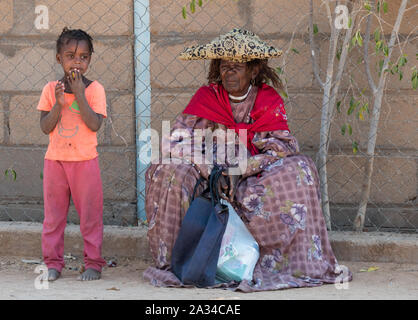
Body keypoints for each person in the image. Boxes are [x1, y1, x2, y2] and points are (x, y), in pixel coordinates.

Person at [143, 29, 352, 291]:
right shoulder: (208, 96)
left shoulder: (267, 99)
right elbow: (174, 139)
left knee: (301, 169)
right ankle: (177, 262)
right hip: (209, 172)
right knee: (164, 168)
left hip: (253, 172)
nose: (229, 73)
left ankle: (285, 263)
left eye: (237, 67)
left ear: (254, 71)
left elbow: (281, 144)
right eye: (224, 66)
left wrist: (241, 169)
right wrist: (209, 170)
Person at [37, 28, 107, 281]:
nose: (77, 62)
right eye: (70, 56)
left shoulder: (95, 89)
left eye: (83, 57)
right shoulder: (50, 89)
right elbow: (46, 127)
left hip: (85, 162)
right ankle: (53, 263)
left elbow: (94, 124)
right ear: (59, 59)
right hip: (55, 161)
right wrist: (58, 103)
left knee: (90, 216)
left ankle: (93, 264)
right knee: (54, 218)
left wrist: (79, 94)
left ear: (89, 60)